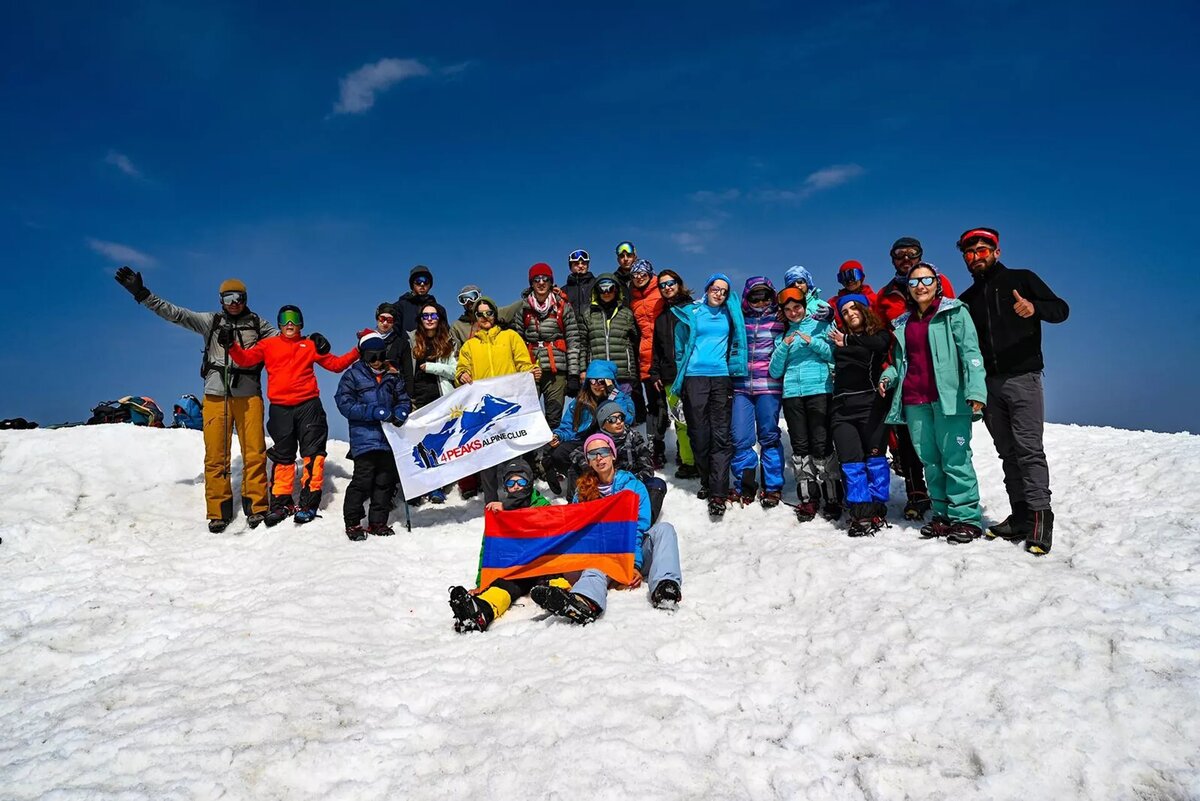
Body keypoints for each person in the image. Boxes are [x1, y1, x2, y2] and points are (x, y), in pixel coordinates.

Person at [114, 267, 276, 533]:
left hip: (249, 396)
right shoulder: (210, 322)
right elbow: (175, 314)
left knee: (255, 453)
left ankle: (256, 507)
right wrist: (142, 294)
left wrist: (312, 345)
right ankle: (218, 512)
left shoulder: (259, 325)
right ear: (220, 300)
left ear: (246, 299)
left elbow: (285, 342)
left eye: (239, 297)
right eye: (228, 298)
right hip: (215, 396)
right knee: (215, 455)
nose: (234, 303)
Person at [956, 227, 1069, 555]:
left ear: (996, 252)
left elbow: (1061, 310)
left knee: (1029, 450)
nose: (976, 256)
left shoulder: (1022, 280)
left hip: (1023, 379)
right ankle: (1020, 515)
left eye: (982, 250)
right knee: (1008, 453)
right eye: (969, 252)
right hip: (988, 385)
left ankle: (1039, 520)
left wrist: (1034, 308)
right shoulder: (967, 300)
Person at [879, 263, 988, 544]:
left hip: (949, 399)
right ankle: (942, 514)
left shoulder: (954, 312)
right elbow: (901, 362)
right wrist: (888, 376)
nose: (921, 286)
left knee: (955, 458)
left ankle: (966, 518)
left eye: (926, 280)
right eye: (914, 283)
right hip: (915, 400)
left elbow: (971, 352)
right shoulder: (903, 323)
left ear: (937, 283)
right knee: (931, 460)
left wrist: (976, 389)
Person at [226, 305, 358, 525]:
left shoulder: (309, 345)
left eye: (294, 319)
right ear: (279, 323)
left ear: (301, 323)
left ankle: (308, 504)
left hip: (309, 407)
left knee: (313, 455)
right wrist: (230, 345)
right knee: (283, 457)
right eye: (285, 319)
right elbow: (245, 359)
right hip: (280, 409)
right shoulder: (268, 345)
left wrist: (358, 350)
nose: (289, 323)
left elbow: (335, 365)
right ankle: (280, 504)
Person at [531, 433, 683, 624]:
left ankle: (665, 587)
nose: (599, 458)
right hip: (602, 556)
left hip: (633, 552)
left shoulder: (633, 486)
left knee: (664, 529)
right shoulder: (582, 492)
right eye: (593, 454)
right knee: (597, 563)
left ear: (612, 455)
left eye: (603, 452)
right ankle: (584, 601)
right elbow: (577, 530)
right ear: (588, 461)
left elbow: (636, 528)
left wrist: (632, 565)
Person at [874, 237, 956, 520]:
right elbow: (880, 331)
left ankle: (950, 496)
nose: (906, 259)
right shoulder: (886, 295)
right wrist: (888, 367)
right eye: (899, 255)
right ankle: (917, 493)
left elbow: (952, 317)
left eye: (912, 254)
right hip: (904, 369)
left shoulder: (938, 280)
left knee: (941, 435)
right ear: (892, 259)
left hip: (937, 368)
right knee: (909, 435)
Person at [672, 273, 748, 518]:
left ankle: (718, 492)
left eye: (724, 291)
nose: (720, 294)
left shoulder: (730, 312)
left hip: (721, 376)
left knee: (721, 436)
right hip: (694, 377)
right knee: (699, 433)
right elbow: (681, 345)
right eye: (716, 288)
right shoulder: (692, 312)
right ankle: (707, 479)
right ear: (707, 289)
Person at [447, 459, 553, 633]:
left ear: (530, 482)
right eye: (511, 482)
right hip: (518, 569)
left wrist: (508, 505)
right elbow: (487, 550)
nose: (516, 486)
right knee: (503, 586)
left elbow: (537, 517)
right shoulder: (498, 514)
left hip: (544, 565)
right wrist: (482, 583)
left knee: (555, 578)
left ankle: (564, 599)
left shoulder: (542, 505)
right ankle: (481, 611)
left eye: (521, 481)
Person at [454, 296, 537, 503]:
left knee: (514, 455)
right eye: (480, 314)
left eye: (489, 313)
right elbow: (461, 370)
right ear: (475, 318)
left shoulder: (510, 336)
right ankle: (491, 503)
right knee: (488, 459)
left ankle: (518, 499)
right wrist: (461, 375)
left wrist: (532, 371)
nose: (485, 317)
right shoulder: (469, 346)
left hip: (508, 406)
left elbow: (522, 363)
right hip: (484, 411)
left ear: (495, 315)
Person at [769, 287, 839, 522]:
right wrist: (784, 347)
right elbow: (775, 370)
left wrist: (813, 343)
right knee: (800, 445)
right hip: (792, 394)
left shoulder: (821, 325)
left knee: (821, 443)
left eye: (796, 307)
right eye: (787, 309)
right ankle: (808, 498)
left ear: (803, 306)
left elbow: (833, 355)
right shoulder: (783, 334)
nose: (793, 312)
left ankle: (833, 496)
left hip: (819, 390)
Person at [335, 332, 413, 540]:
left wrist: (402, 411)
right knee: (363, 481)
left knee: (384, 482)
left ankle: (378, 521)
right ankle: (352, 522)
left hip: (388, 440)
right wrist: (373, 411)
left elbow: (403, 399)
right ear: (363, 356)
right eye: (372, 357)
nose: (378, 361)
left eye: (381, 355)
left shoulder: (392, 375)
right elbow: (345, 403)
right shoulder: (353, 376)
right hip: (365, 440)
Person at [828, 295, 892, 536]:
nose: (850, 313)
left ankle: (877, 505)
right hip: (842, 408)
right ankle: (861, 512)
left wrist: (848, 340)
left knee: (875, 460)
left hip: (871, 406)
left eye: (854, 307)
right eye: (844, 311)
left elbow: (879, 346)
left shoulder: (879, 335)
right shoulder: (837, 340)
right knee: (851, 462)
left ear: (864, 309)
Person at [498, 262, 582, 430]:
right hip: (531, 368)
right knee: (528, 414)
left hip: (557, 369)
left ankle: (552, 453)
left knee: (554, 415)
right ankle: (531, 455)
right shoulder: (523, 309)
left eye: (545, 279)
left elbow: (573, 341)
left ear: (551, 282)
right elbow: (518, 341)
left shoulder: (563, 307)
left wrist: (573, 374)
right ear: (531, 283)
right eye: (537, 279)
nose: (541, 283)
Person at [731, 277, 786, 508]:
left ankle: (772, 487)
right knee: (741, 437)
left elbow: (806, 315)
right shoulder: (738, 320)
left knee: (769, 435)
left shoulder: (780, 320)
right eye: (755, 296)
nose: (761, 301)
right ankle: (745, 483)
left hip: (769, 387)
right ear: (747, 297)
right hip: (741, 387)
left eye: (765, 296)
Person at [545, 359, 634, 495]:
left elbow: (626, 419)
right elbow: (568, 427)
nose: (597, 385)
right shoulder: (580, 401)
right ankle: (582, 483)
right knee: (559, 454)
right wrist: (558, 436)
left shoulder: (622, 398)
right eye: (593, 381)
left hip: (612, 442)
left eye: (602, 381)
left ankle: (605, 482)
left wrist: (613, 393)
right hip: (583, 440)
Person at [568, 400, 667, 522]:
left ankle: (644, 521)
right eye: (612, 419)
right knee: (576, 471)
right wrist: (592, 466)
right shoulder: (597, 441)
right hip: (604, 482)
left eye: (621, 417)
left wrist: (632, 482)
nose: (619, 421)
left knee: (657, 484)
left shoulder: (633, 437)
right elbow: (576, 453)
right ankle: (575, 510)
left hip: (631, 482)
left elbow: (647, 464)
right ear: (603, 424)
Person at [403, 302, 459, 506]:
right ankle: (418, 487)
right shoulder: (410, 340)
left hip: (441, 398)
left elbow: (455, 370)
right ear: (419, 319)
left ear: (439, 319)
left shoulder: (448, 341)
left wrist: (433, 367)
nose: (429, 320)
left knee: (436, 444)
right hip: (416, 399)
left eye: (433, 316)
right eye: (425, 316)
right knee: (416, 444)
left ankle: (436, 486)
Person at [647, 269, 698, 479]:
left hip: (693, 373)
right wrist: (655, 373)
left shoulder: (692, 310)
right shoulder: (661, 318)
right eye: (662, 285)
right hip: (669, 376)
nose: (667, 288)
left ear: (679, 283)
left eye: (671, 283)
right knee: (681, 421)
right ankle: (689, 462)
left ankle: (703, 459)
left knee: (698, 419)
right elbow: (657, 349)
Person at [628, 258, 668, 468]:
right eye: (635, 275)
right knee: (654, 404)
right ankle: (656, 448)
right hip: (645, 356)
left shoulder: (661, 290)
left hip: (666, 353)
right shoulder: (632, 298)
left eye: (643, 274)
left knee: (671, 403)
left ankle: (683, 448)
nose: (639, 278)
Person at [580, 273, 640, 408]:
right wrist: (583, 370)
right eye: (602, 288)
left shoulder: (626, 313)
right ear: (596, 291)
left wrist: (633, 374)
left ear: (616, 290)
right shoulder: (588, 314)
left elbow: (633, 344)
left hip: (622, 373)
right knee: (598, 409)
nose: (606, 292)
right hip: (597, 374)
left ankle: (625, 429)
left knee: (621, 407)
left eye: (610, 288)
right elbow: (583, 345)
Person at [394, 265, 449, 334]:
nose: (422, 284)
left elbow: (445, 333)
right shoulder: (399, 306)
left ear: (430, 285)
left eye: (426, 281)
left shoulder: (440, 310)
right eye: (418, 281)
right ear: (412, 284)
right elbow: (393, 333)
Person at [562, 249, 595, 321]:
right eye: (576, 264)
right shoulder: (563, 291)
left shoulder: (596, 285)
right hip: (572, 329)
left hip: (593, 327)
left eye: (583, 263)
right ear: (571, 267)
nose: (580, 266)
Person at [450, 285, 482, 351]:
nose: (468, 301)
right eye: (464, 299)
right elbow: (455, 354)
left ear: (480, 297)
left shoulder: (492, 316)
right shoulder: (457, 326)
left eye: (472, 297)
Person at [613, 240, 638, 305]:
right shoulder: (613, 280)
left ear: (635, 257)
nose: (626, 259)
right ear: (618, 260)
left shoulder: (644, 278)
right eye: (622, 256)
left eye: (629, 255)